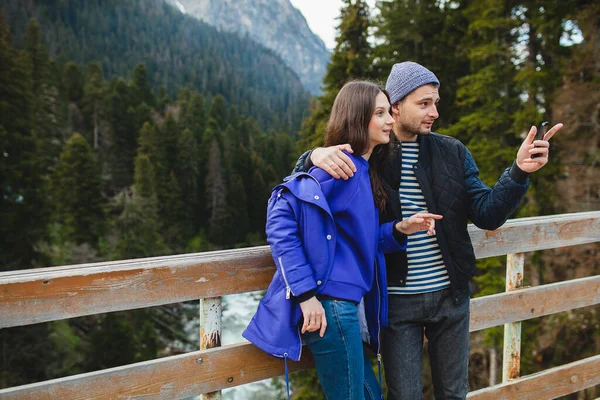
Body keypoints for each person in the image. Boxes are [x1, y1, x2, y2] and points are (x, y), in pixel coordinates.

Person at [294, 62, 563, 399]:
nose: (434, 112)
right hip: (395, 302)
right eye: (424, 104)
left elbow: (488, 214)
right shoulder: (370, 153)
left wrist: (519, 172)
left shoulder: (452, 152)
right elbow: (303, 187)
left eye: (435, 102)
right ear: (395, 106)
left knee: (454, 394)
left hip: (451, 299)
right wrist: (313, 156)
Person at [243, 80, 443, 400]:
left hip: (345, 309)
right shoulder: (338, 169)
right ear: (356, 118)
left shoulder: (363, 170)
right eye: (380, 113)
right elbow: (281, 215)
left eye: (388, 111)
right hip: (330, 309)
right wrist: (306, 295)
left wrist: (400, 229)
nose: (390, 120)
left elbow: (357, 240)